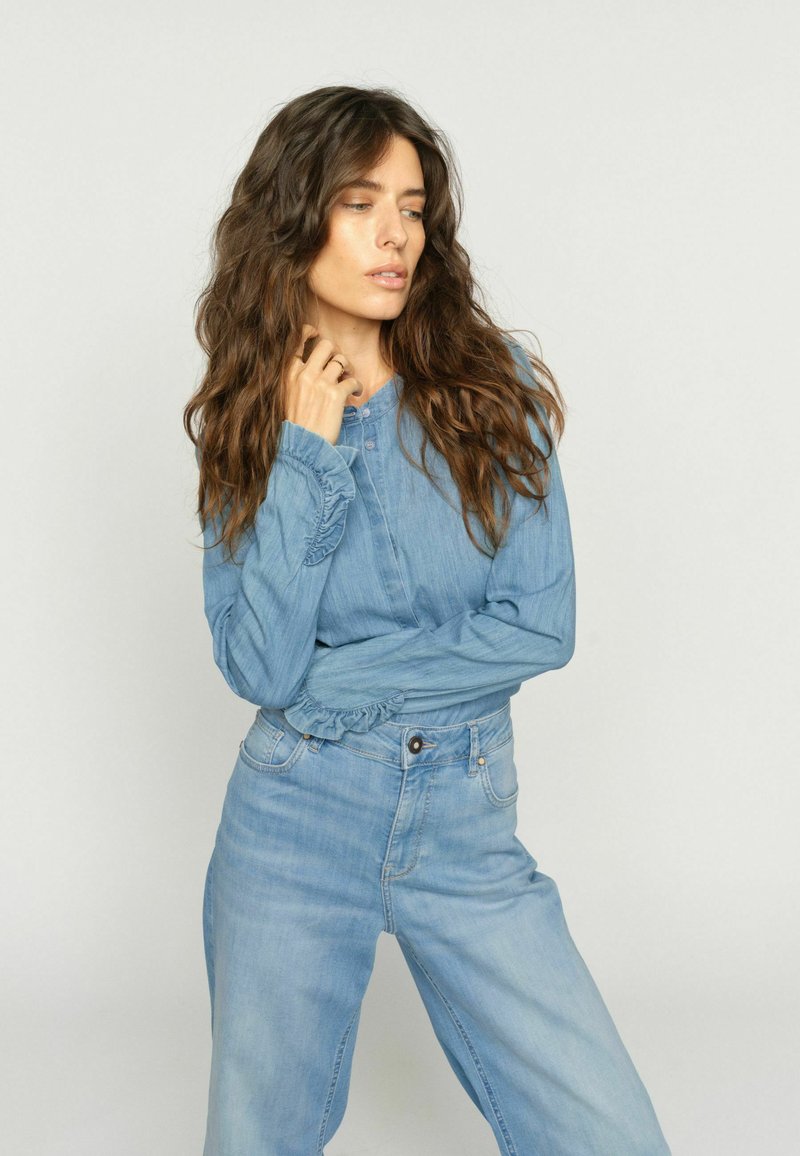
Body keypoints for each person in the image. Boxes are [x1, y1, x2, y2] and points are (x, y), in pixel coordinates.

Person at [184, 85, 672, 1156]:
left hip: (459, 813)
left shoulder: (485, 392)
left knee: (609, 1135)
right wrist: (306, 455)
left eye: (411, 205)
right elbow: (261, 666)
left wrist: (339, 677)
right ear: (293, 218)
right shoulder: (247, 423)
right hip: (291, 823)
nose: (396, 233)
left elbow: (540, 627)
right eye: (361, 203)